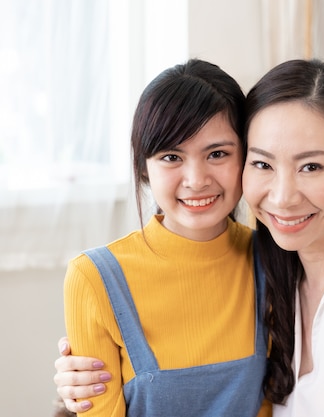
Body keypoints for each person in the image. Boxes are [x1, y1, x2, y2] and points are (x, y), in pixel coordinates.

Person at [56, 59, 324, 416]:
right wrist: (78, 383)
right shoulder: (277, 273)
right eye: (263, 164)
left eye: (311, 167)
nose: (282, 198)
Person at [58, 58, 270, 417]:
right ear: (144, 167)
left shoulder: (273, 259)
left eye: (217, 153)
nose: (196, 179)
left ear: (246, 157)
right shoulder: (93, 278)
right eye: (171, 157)